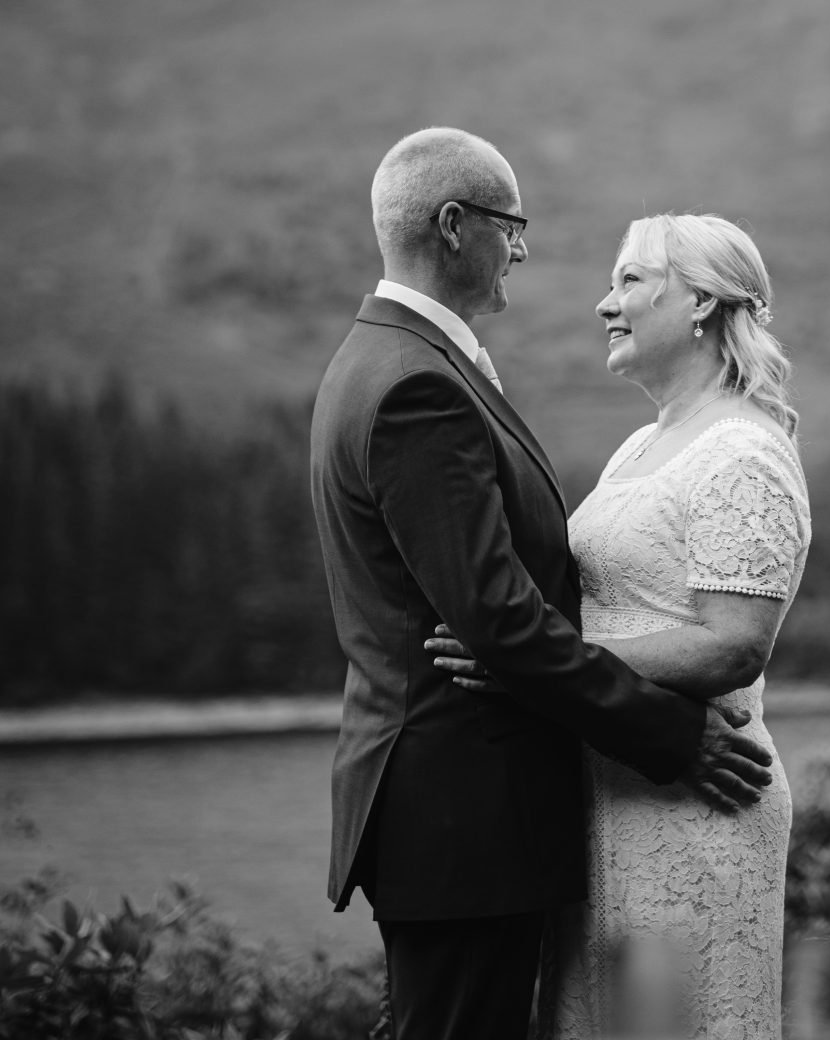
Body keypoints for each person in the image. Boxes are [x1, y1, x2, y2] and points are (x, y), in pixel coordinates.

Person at [309, 130, 773, 1040]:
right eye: (510, 225)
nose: (521, 248)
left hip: (458, 814)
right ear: (454, 226)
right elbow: (497, 620)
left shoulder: (387, 360)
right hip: (463, 811)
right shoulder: (416, 385)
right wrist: (673, 736)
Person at [430, 211, 810, 1040]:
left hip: (696, 802)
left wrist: (530, 663)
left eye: (630, 281)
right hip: (608, 792)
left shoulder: (743, 450)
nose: (606, 303)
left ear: (704, 302)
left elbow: (732, 644)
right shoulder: (643, 443)